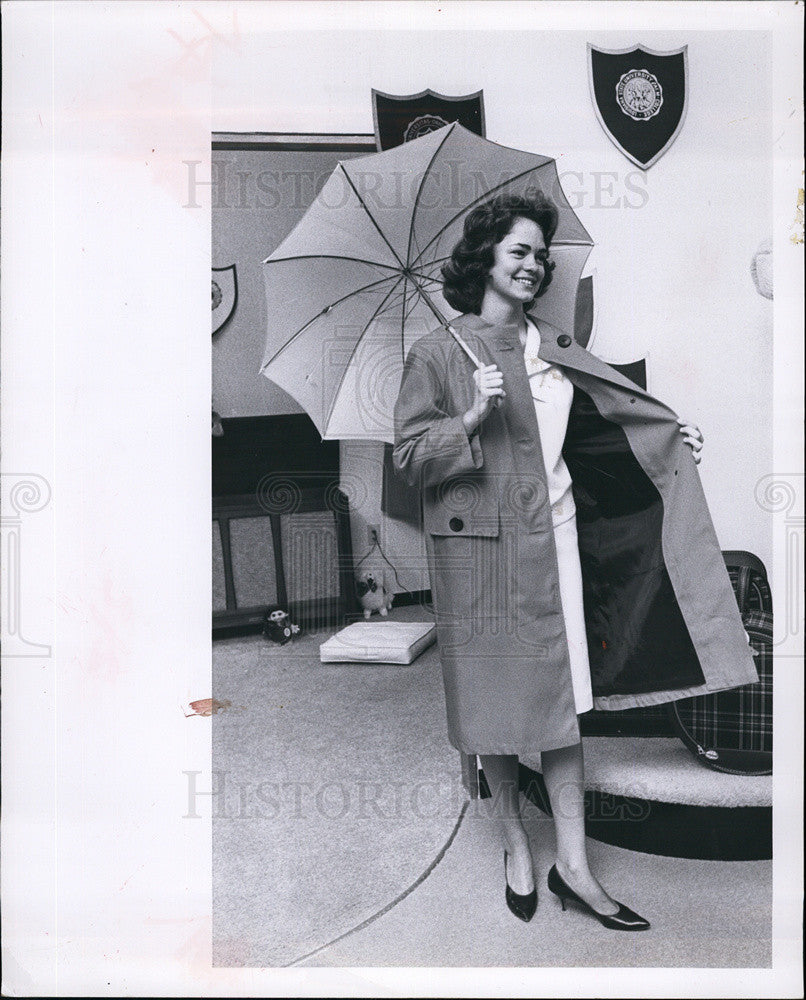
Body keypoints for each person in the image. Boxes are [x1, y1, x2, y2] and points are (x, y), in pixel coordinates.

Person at [392, 192, 756, 930]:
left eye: (540, 256)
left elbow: (599, 435)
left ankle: (575, 868)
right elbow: (405, 462)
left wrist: (666, 446)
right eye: (519, 252)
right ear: (484, 259)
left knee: (563, 712)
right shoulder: (438, 353)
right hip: (480, 559)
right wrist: (469, 416)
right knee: (494, 711)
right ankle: (515, 848)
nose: (534, 265)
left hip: (557, 546)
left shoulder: (554, 346)